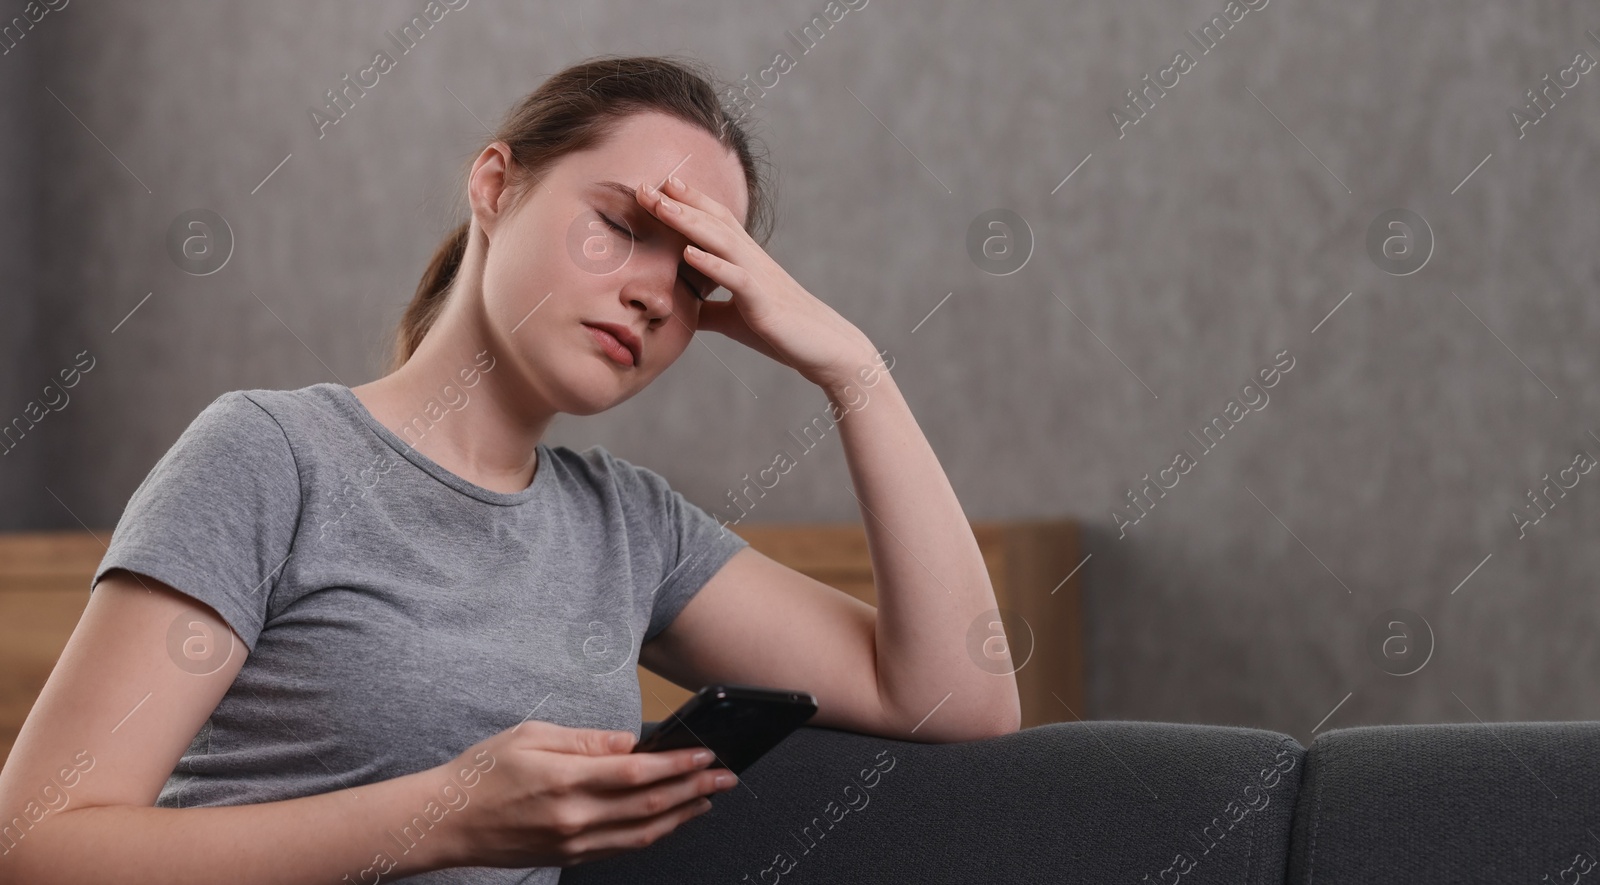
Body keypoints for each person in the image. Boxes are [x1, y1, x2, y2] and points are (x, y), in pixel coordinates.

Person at [0, 55, 1018, 884]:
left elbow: (957, 701)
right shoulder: (271, 458)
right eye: (621, 228)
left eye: (696, 276)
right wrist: (442, 820)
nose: (654, 296)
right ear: (495, 186)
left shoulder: (630, 529)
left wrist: (852, 369)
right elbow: (37, 845)